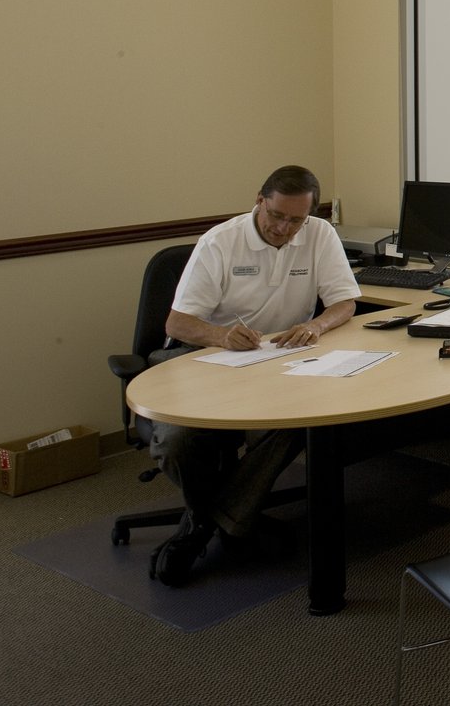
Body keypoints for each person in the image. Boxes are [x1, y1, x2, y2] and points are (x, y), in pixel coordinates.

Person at [147, 165, 360, 587]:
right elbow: (177, 324)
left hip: (279, 356)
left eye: (296, 220)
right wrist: (221, 335)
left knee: (308, 418)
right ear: (259, 201)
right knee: (176, 441)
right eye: (276, 215)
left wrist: (317, 326)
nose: (284, 228)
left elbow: (345, 303)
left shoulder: (318, 234)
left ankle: (205, 523)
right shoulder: (220, 242)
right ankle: (229, 517)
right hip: (206, 354)